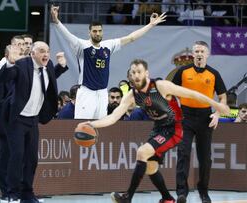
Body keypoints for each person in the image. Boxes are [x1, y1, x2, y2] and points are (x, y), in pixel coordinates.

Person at [77, 59, 229, 203]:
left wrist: (216, 105)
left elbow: (192, 94)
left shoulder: (161, 86)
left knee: (142, 152)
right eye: (133, 72)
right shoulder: (132, 95)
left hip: (175, 128)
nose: (135, 75)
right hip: (158, 128)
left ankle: (127, 197)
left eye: (139, 72)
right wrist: (92, 124)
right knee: (150, 167)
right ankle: (168, 198)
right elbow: (113, 117)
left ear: (147, 74)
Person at [51, 5, 166, 119]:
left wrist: (150, 25)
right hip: (86, 92)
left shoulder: (108, 45)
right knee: (83, 125)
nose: (97, 33)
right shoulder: (82, 46)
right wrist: (56, 21)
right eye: (94, 31)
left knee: (100, 126)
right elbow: (68, 35)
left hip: (102, 93)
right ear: (89, 33)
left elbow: (131, 38)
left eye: (100, 31)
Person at [0, 41, 66, 203]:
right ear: (32, 53)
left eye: (47, 51)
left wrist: (62, 66)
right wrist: (11, 63)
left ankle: (27, 193)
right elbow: (5, 77)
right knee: (16, 156)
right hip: (16, 119)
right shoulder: (22, 64)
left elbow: (51, 78)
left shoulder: (48, 66)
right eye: (41, 51)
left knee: (32, 159)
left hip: (33, 119)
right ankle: (11, 193)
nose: (45, 54)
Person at [172, 41, 228, 203]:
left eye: (202, 51)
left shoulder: (213, 73)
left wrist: (217, 114)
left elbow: (223, 97)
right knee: (183, 153)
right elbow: (169, 90)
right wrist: (175, 109)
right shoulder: (183, 71)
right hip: (185, 116)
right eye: (196, 51)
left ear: (207, 54)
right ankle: (182, 192)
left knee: (205, 158)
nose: (199, 54)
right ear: (193, 54)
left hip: (206, 118)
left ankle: (204, 191)